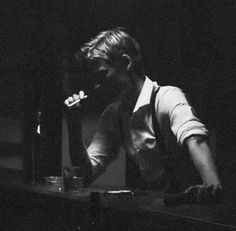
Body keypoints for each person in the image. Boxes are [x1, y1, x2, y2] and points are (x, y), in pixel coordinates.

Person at [64, 28, 222, 203]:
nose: (97, 87)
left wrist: (211, 184)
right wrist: (73, 123)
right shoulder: (113, 115)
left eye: (102, 75)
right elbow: (86, 174)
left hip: (193, 206)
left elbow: (195, 139)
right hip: (159, 208)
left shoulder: (166, 97)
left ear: (126, 63)